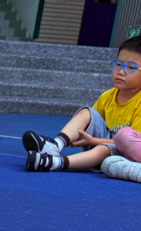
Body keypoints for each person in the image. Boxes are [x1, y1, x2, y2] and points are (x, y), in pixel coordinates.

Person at [22, 36, 141, 172]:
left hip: (128, 154)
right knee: (87, 112)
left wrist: (94, 141)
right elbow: (92, 123)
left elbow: (132, 144)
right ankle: (55, 145)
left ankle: (53, 163)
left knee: (108, 146)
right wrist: (83, 135)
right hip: (103, 143)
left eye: (131, 67)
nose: (120, 72)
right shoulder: (107, 96)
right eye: (118, 64)